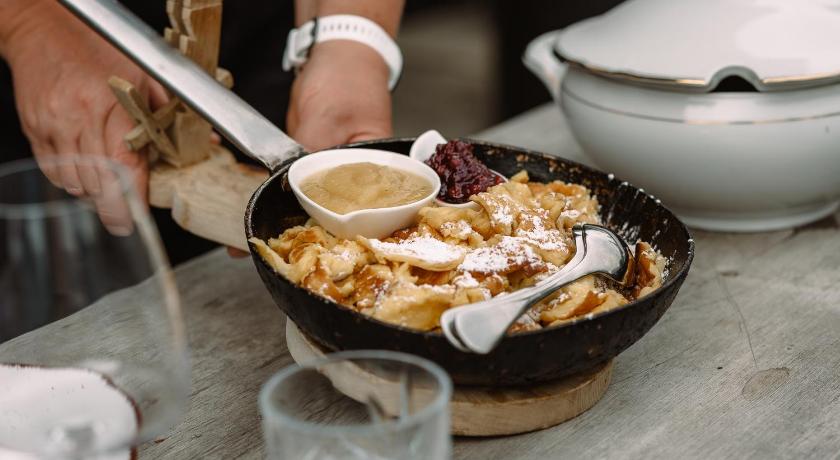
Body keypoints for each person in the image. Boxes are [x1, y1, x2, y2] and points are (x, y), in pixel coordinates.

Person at [0, 0, 404, 262]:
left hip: (268, 35)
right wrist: (27, 22)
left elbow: (351, 38)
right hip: (53, 55)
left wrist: (351, 36)